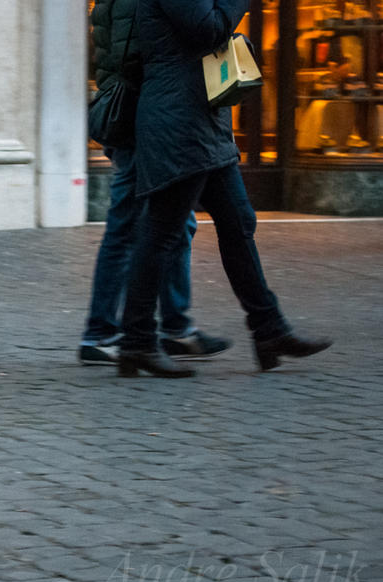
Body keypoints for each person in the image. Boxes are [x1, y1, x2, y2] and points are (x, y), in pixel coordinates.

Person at [117, 0, 332, 378]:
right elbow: (208, 29)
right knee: (160, 233)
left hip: (201, 121)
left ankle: (269, 331)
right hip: (179, 123)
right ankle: (136, 342)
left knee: (238, 223)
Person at [81, 0, 230, 365]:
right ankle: (101, 332)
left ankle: (176, 327)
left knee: (177, 222)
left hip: (139, 111)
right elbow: (135, 54)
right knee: (130, 222)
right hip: (136, 116)